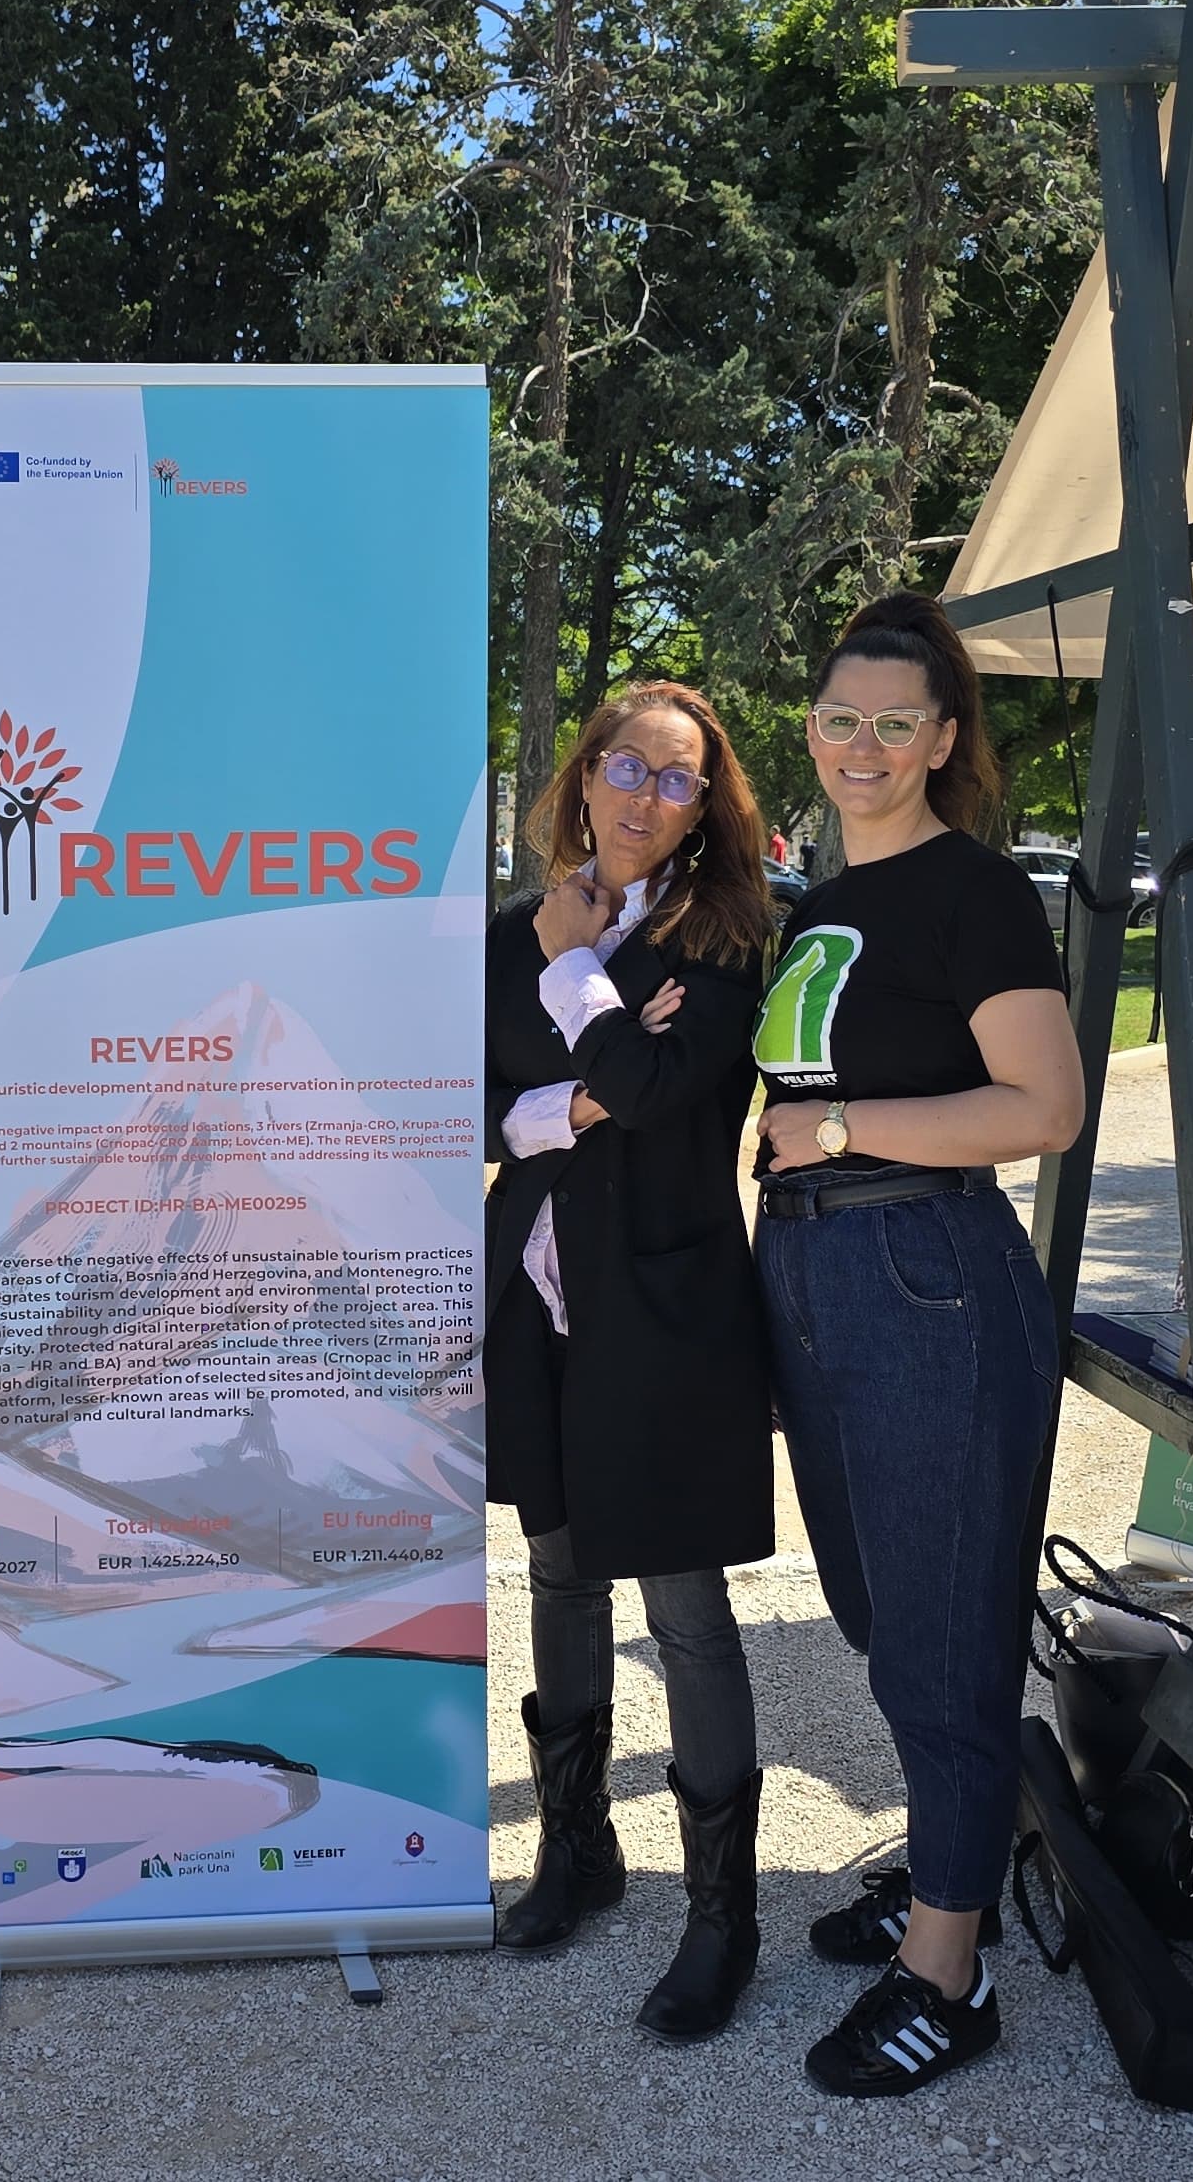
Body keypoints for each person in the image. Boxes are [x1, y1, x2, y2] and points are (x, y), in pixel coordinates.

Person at [751, 594, 1083, 2099]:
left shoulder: (976, 891)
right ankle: (951, 1865)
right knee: (882, 1610)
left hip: (923, 1267)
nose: (864, 747)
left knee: (943, 1627)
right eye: (842, 719)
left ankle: (951, 1967)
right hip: (816, 1265)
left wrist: (833, 1129)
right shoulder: (820, 900)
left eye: (897, 722)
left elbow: (1042, 1105)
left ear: (945, 738)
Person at [483, 682, 781, 2042]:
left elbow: (666, 1097)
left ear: (705, 803)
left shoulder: (723, 937)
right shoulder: (516, 931)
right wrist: (577, 1093)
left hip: (665, 1309)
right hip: (540, 1297)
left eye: (677, 777)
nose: (645, 795)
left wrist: (574, 981)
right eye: (626, 765)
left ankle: (722, 1916)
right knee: (557, 1569)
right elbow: (475, 1101)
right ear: (584, 775)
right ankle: (578, 1847)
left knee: (684, 1605)